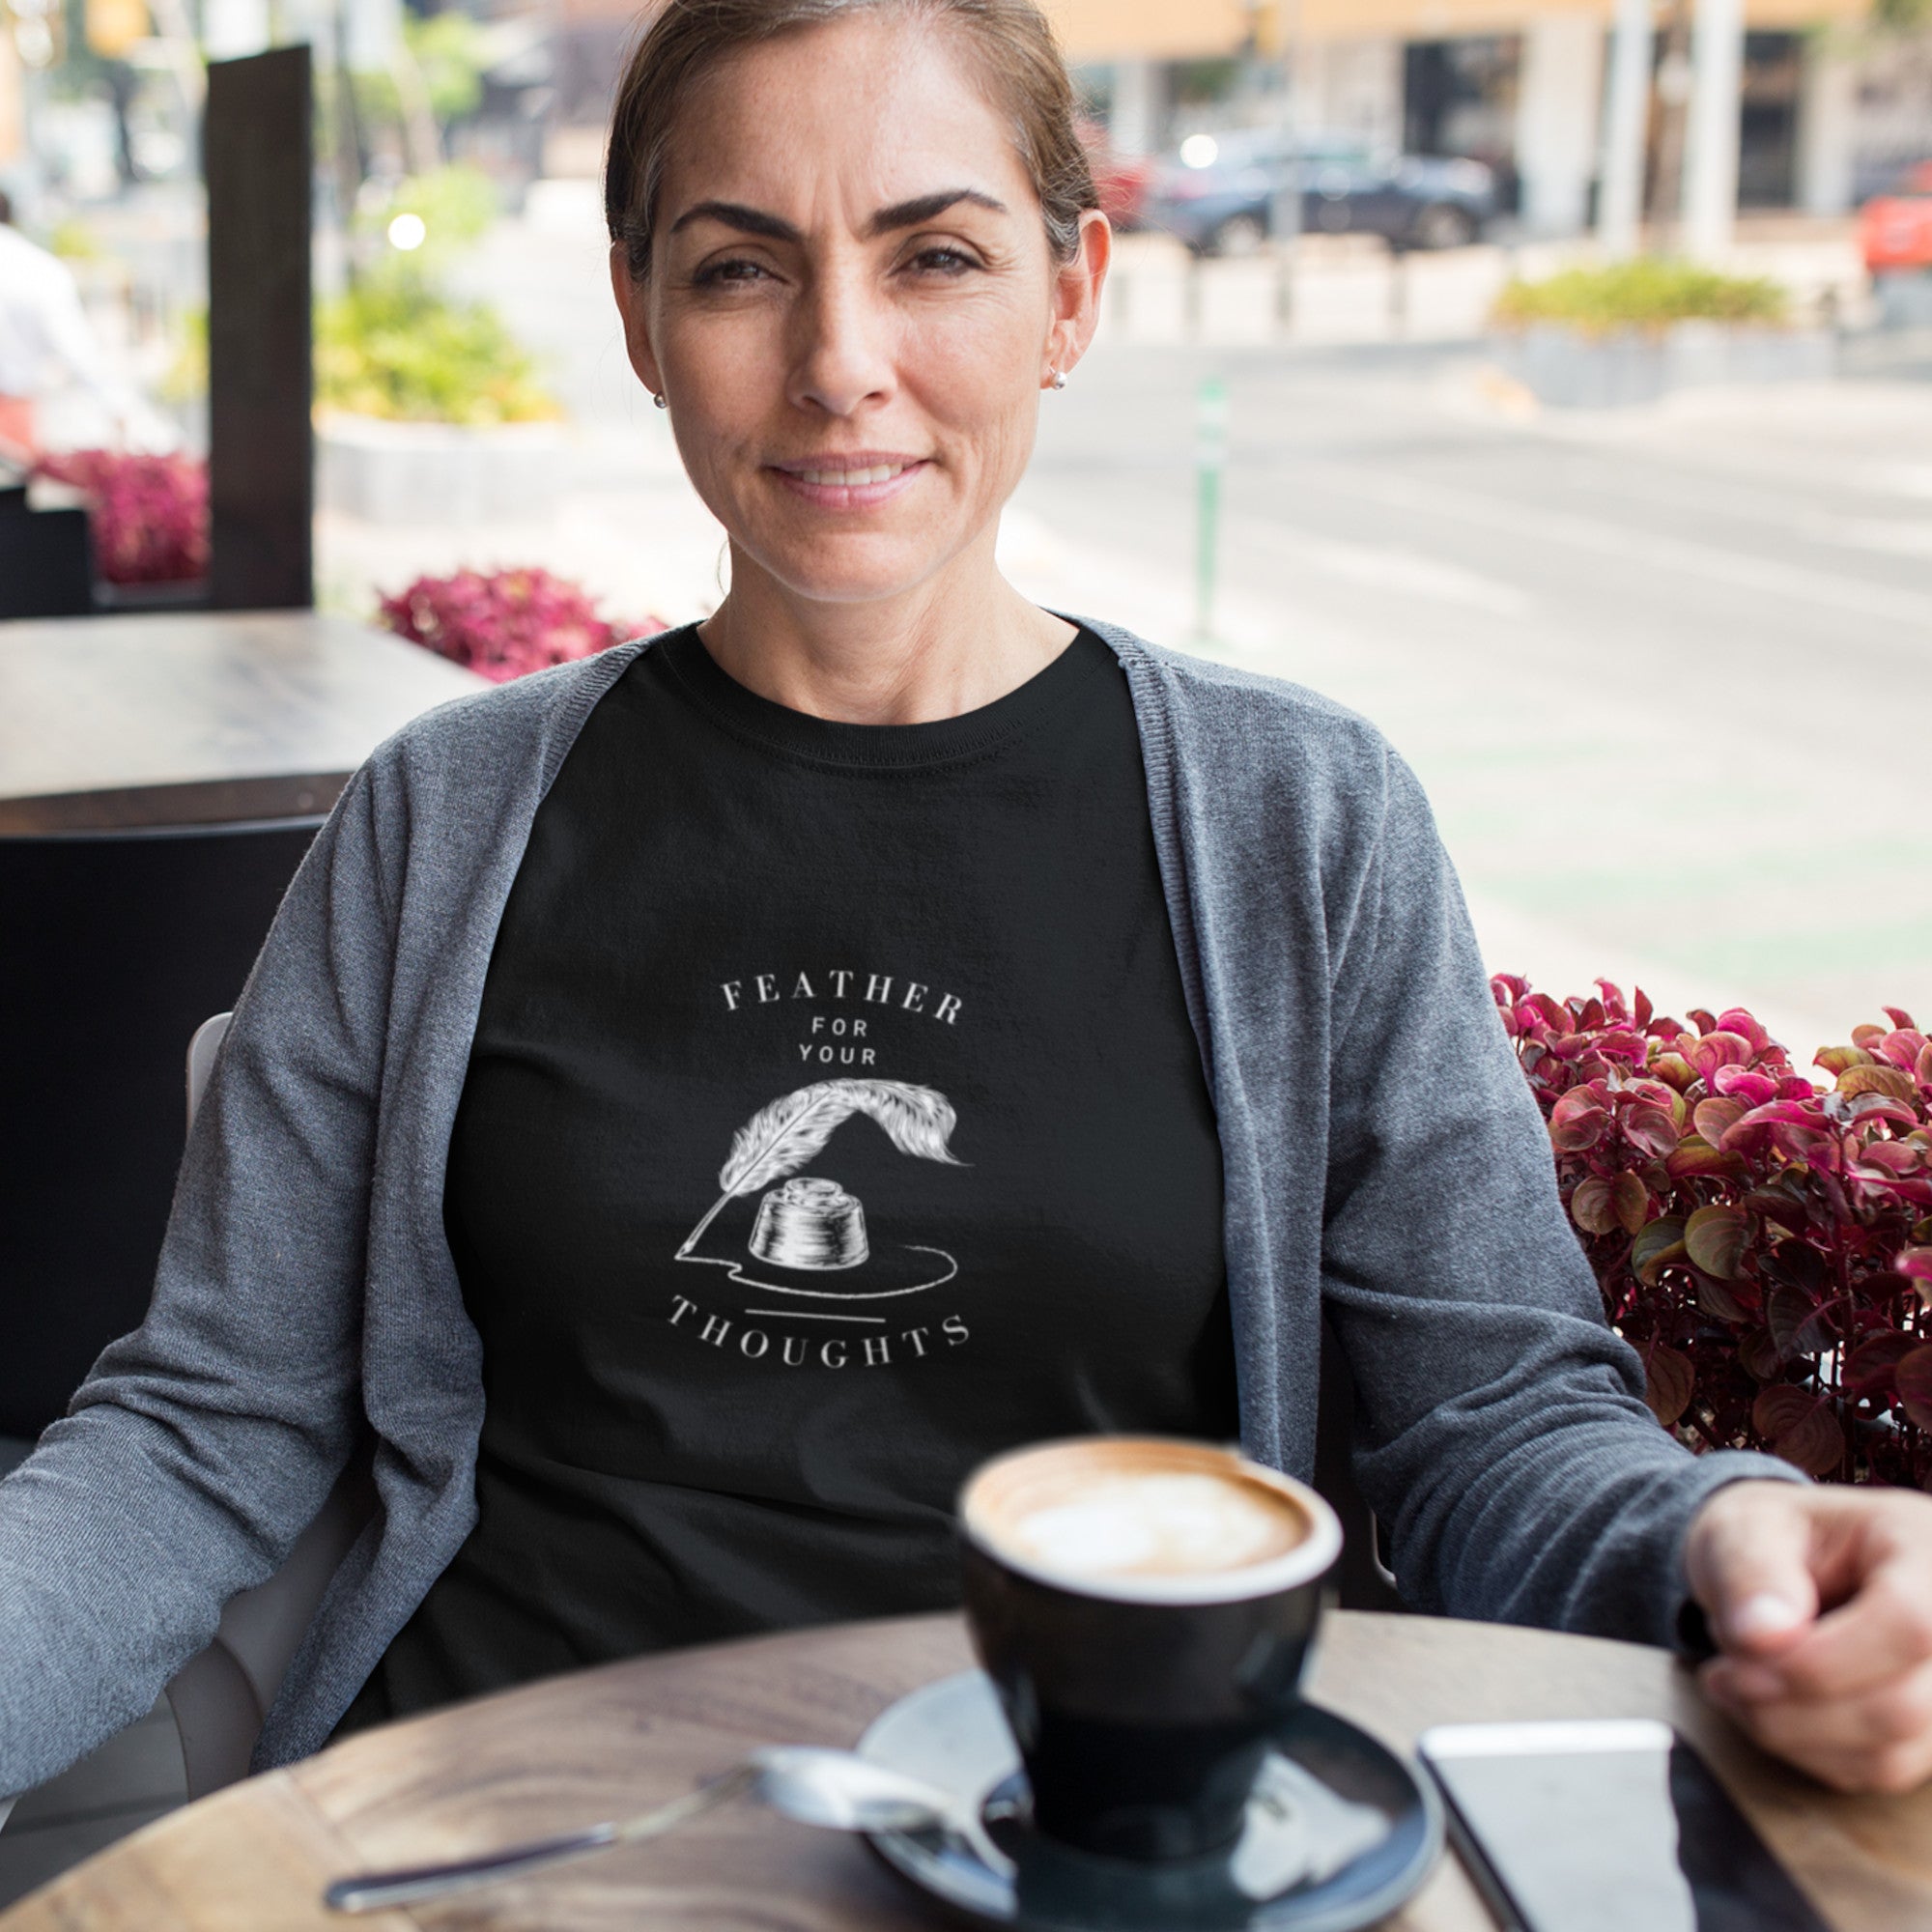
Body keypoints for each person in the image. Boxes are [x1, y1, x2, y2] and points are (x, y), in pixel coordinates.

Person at [4, 0, 1931, 1807]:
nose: (841, 361)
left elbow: (1493, 1426)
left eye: (936, 255)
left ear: (1067, 293)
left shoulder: (1300, 820)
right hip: (512, 1828)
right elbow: (201, 1430)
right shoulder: (447, 814)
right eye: (742, 265)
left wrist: (1725, 1540)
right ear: (639, 313)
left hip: (1088, 1834)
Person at [0, 189, 134, 461]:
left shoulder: (35, 269)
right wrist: (118, 408)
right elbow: (77, 351)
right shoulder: (38, 269)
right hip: (13, 417)